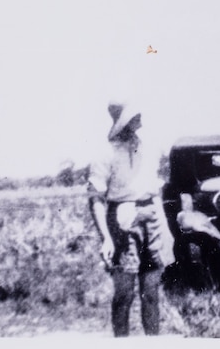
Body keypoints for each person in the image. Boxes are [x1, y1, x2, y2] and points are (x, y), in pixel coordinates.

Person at [88, 102, 165, 337]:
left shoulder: (150, 150)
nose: (139, 123)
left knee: (151, 292)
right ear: (123, 123)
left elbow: (156, 189)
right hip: (121, 220)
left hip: (150, 219)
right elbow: (96, 198)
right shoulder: (105, 154)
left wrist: (163, 228)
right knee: (124, 293)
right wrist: (107, 239)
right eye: (134, 119)